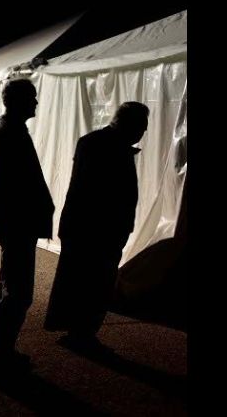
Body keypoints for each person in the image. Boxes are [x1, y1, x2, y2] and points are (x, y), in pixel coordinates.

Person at [44, 101, 149, 353]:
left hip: (84, 226)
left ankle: (75, 329)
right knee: (95, 282)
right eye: (141, 126)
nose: (143, 132)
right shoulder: (111, 147)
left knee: (78, 278)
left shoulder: (92, 142)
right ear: (130, 124)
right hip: (100, 229)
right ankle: (83, 333)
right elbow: (103, 193)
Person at [0, 77, 54, 377]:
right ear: (18, 101)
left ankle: (1, 351)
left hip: (13, 220)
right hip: (17, 222)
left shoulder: (9, 129)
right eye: (32, 97)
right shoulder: (11, 132)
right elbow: (19, 183)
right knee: (19, 291)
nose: (36, 102)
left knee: (10, 286)